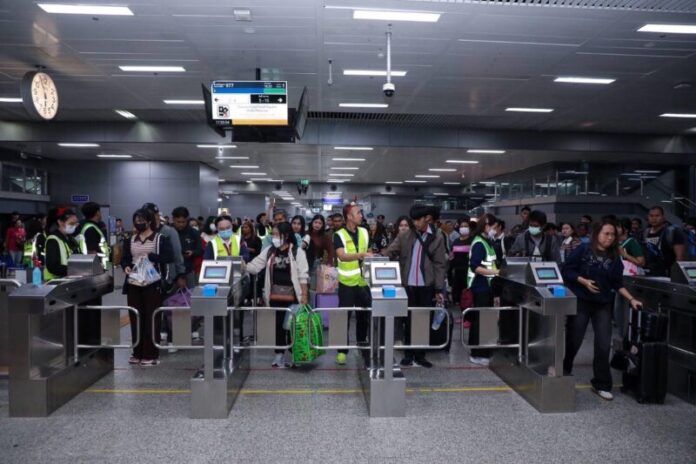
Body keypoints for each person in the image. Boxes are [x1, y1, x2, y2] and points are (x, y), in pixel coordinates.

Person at [562, 220, 644, 401]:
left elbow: (617, 283)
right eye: (606, 233)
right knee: (574, 339)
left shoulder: (614, 256)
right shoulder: (583, 249)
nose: (610, 237)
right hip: (581, 301)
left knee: (603, 343)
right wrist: (583, 281)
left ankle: (601, 384)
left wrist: (631, 299)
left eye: (613, 234)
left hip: (603, 304)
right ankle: (564, 370)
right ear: (597, 234)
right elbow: (567, 270)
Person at [382, 205, 447, 368]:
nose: (415, 223)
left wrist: (439, 289)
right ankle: (408, 354)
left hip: (426, 285)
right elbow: (391, 250)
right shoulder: (406, 235)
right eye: (413, 220)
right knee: (408, 320)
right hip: (408, 285)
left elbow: (440, 264)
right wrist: (376, 257)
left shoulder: (438, 237)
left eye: (418, 220)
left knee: (423, 320)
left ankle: (420, 355)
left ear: (427, 219)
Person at [244, 222, 309, 367]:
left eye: (276, 234)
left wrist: (304, 295)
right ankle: (279, 355)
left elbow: (303, 275)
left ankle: (296, 355)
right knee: (278, 327)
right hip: (274, 296)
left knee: (293, 327)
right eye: (273, 234)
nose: (274, 237)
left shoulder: (297, 251)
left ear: (286, 235)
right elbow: (255, 266)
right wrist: (241, 265)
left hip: (293, 297)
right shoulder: (269, 251)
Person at [121, 208, 174, 366]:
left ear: (150, 221)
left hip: (153, 283)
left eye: (142, 220)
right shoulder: (130, 240)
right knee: (136, 316)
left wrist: (151, 256)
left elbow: (169, 257)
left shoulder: (160, 239)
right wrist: (126, 266)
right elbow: (125, 258)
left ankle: (150, 353)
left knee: (152, 318)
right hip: (134, 283)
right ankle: (137, 352)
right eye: (136, 220)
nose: (139, 223)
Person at [333, 203, 373, 366]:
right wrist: (361, 255)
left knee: (363, 316)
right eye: (358, 213)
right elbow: (341, 256)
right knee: (344, 317)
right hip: (347, 283)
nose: (361, 215)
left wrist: (369, 255)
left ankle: (362, 345)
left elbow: (369, 250)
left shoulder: (364, 231)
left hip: (363, 283)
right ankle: (342, 351)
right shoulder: (339, 235)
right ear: (349, 216)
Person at [466, 213, 500, 366]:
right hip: (480, 287)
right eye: (494, 227)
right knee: (480, 321)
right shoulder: (479, 243)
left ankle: (484, 351)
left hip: (487, 286)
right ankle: (477, 353)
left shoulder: (487, 242)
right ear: (486, 226)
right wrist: (495, 272)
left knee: (485, 320)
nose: (495, 230)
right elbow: (475, 266)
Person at [142, 203, 185, 293]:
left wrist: (180, 275)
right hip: (145, 277)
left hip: (166, 278)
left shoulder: (169, 232)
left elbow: (177, 255)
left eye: (155, 215)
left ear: (158, 216)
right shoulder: (142, 232)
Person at [642, 206, 686, 277]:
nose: (654, 218)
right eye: (651, 216)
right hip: (648, 273)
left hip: (667, 274)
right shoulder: (645, 233)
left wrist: (677, 275)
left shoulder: (672, 232)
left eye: (657, 215)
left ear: (663, 217)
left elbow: (680, 257)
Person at [43, 207, 81, 281]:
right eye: (71, 223)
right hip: (54, 281)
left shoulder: (71, 239)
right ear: (60, 222)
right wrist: (75, 270)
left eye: (76, 223)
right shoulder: (53, 240)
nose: (74, 226)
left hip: (68, 279)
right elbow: (53, 267)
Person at [172, 206, 203, 288]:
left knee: (190, 293)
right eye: (178, 222)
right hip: (172, 270)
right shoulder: (168, 232)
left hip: (188, 269)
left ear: (187, 220)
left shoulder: (194, 232)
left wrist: (193, 252)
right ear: (173, 219)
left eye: (183, 222)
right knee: (172, 295)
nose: (181, 224)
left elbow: (200, 250)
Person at [80, 202, 111, 270]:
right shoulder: (91, 229)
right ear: (97, 213)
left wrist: (108, 266)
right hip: (98, 267)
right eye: (100, 211)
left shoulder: (94, 226)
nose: (101, 213)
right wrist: (99, 267)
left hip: (103, 265)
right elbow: (91, 251)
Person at [450, 217, 472, 306]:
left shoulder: (472, 240)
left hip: (468, 271)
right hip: (457, 270)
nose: (463, 228)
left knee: (468, 295)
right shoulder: (456, 241)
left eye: (465, 226)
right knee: (457, 293)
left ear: (469, 228)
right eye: (462, 226)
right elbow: (451, 255)